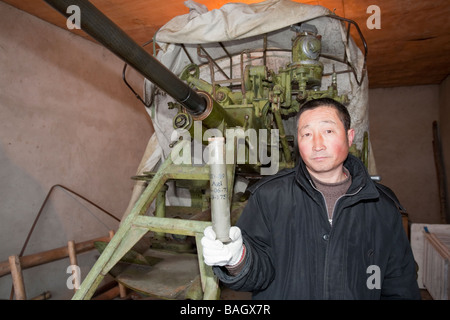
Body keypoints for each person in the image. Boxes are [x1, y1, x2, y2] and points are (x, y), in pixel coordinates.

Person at [201, 97, 421, 299]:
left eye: (328, 131)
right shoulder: (268, 197)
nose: (317, 144)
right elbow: (259, 273)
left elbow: (399, 284)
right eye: (306, 134)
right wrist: (238, 259)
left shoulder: (381, 207)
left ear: (349, 136)